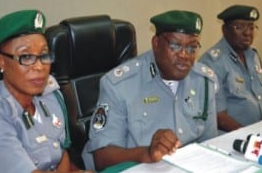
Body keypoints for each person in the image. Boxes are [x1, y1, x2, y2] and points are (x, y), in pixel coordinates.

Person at [82, 10, 218, 171]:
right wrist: (146, 152)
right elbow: (102, 157)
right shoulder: (119, 85)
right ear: (156, 43)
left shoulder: (203, 80)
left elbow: (210, 143)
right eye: (175, 45)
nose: (184, 55)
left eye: (192, 48)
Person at [0, 9, 91, 173]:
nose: (40, 66)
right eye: (26, 57)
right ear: (0, 61)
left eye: (44, 55)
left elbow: (60, 153)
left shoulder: (51, 97)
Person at [198, 5, 262, 132]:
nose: (247, 33)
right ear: (224, 30)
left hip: (261, 135)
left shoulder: (253, 56)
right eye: (239, 27)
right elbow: (218, 115)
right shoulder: (212, 62)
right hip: (233, 140)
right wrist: (248, 137)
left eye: (251, 27)